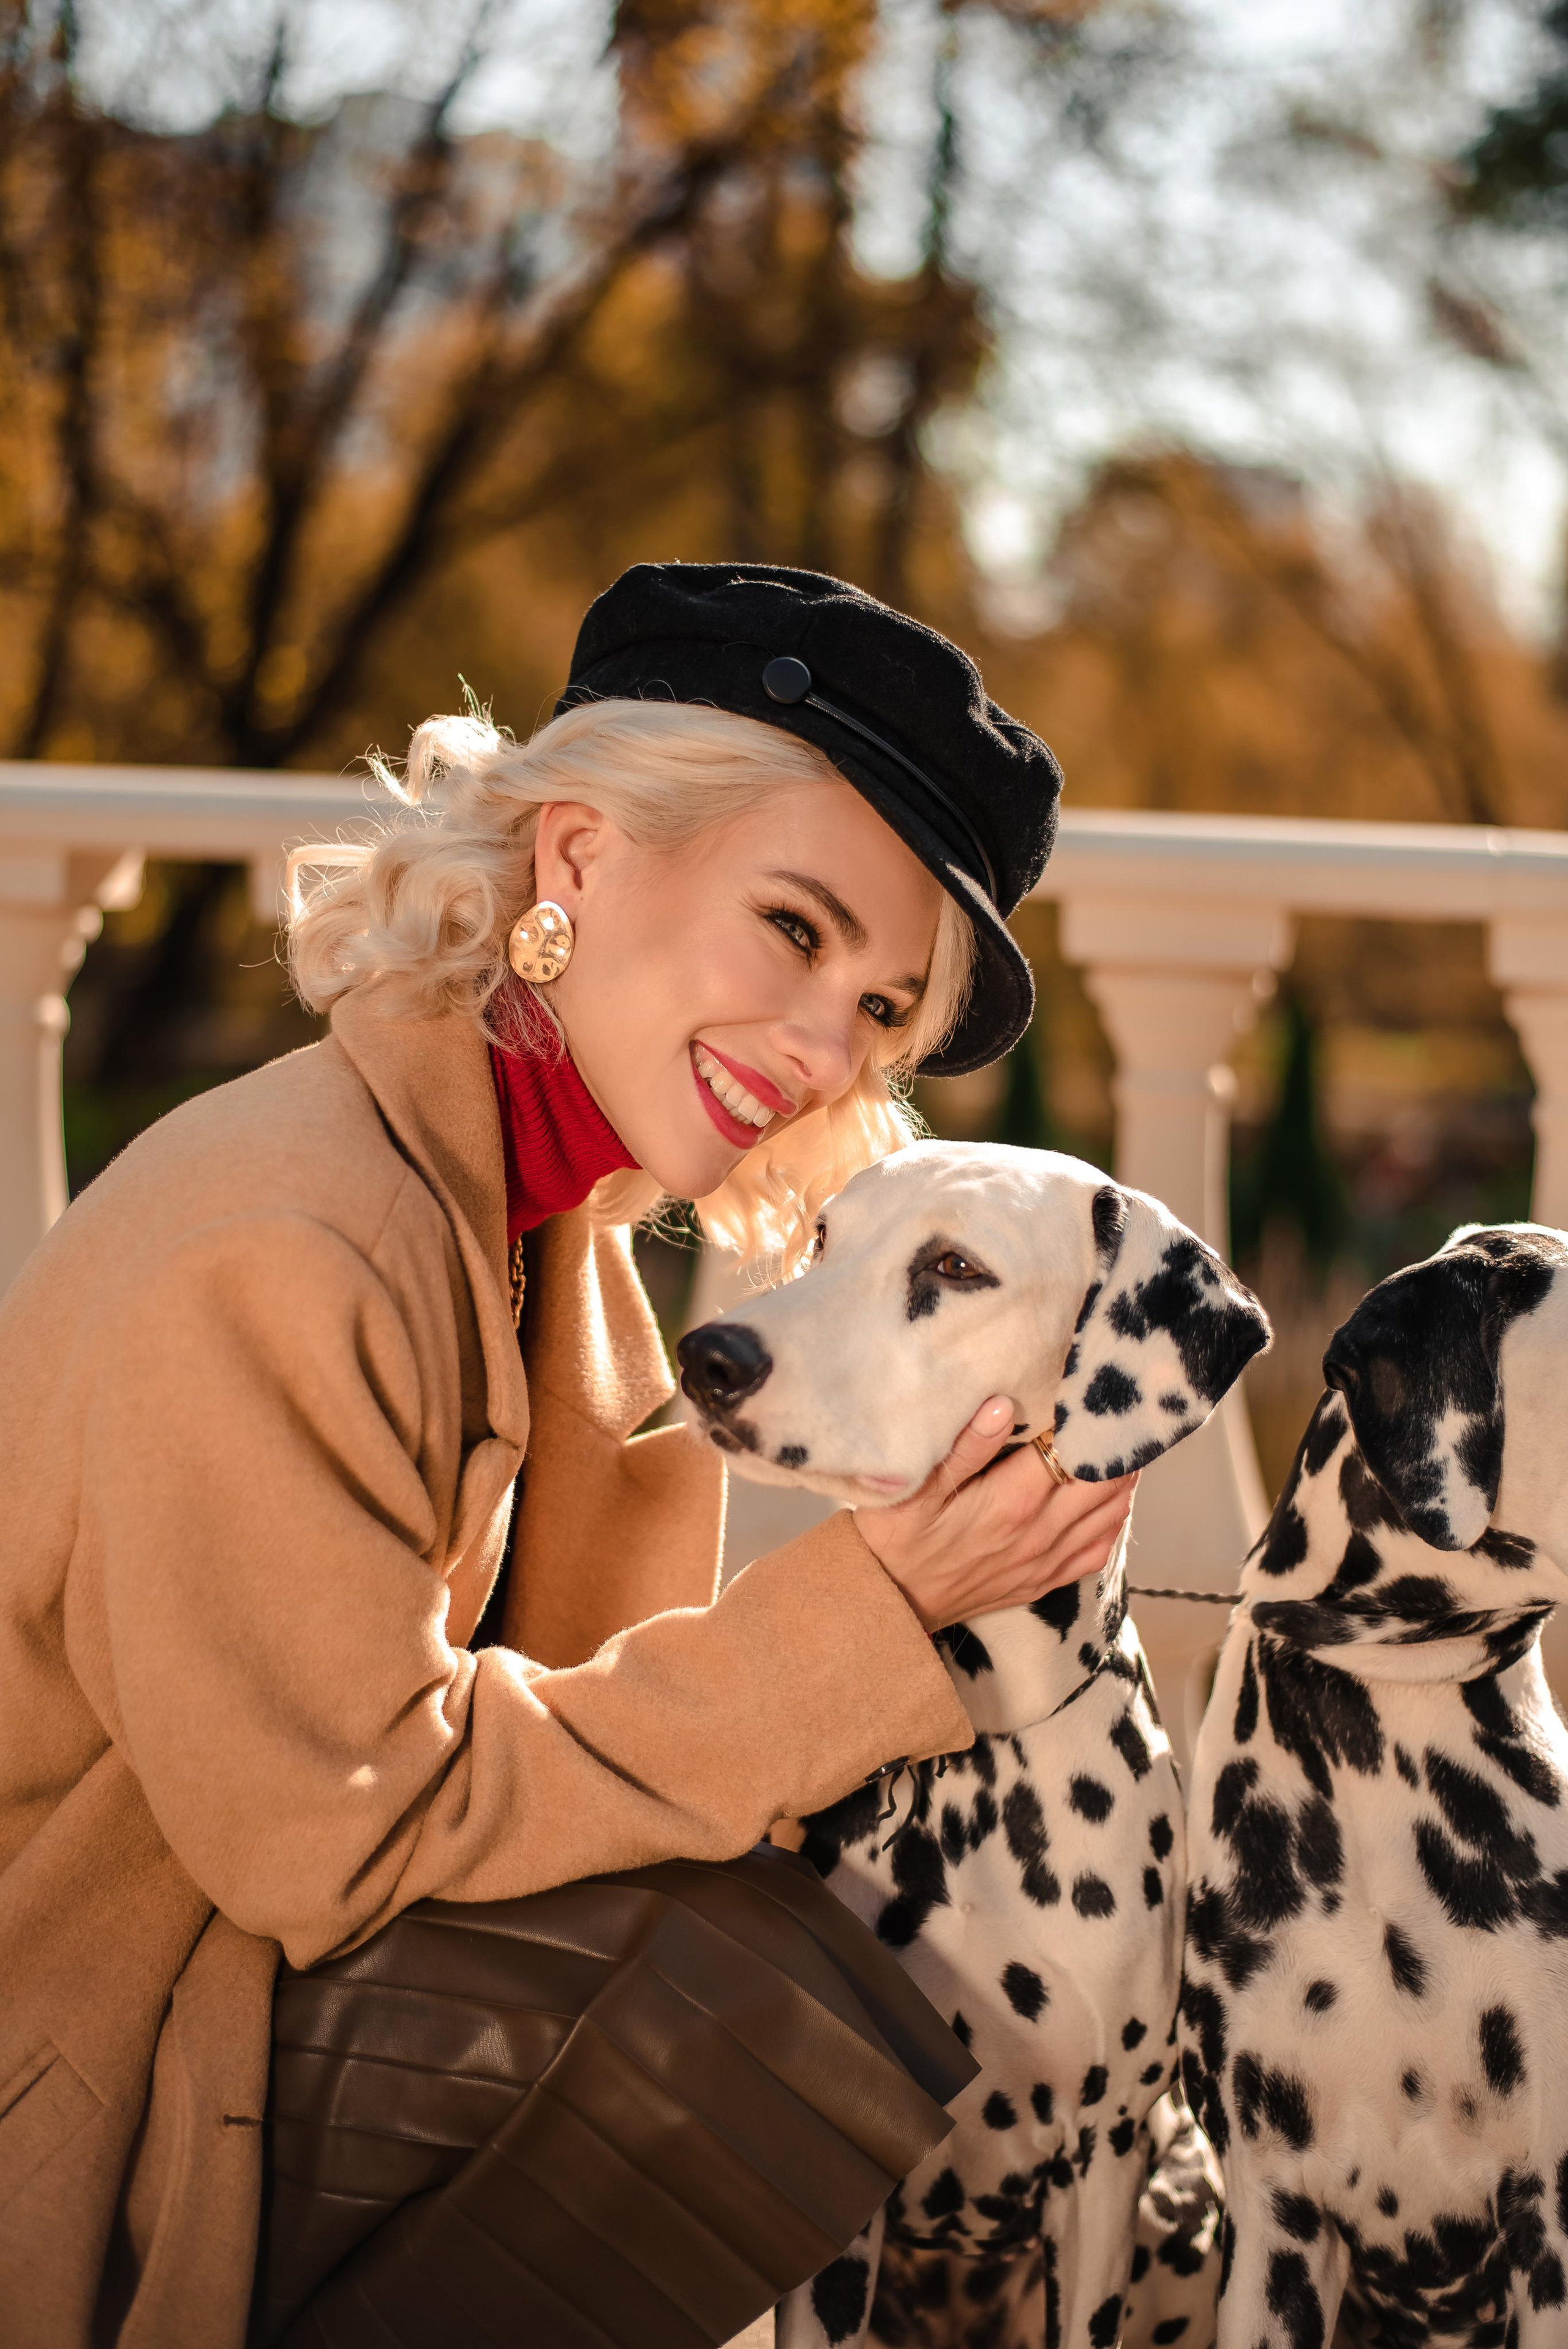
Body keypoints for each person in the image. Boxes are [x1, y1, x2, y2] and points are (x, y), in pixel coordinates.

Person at [0, 564, 1136, 2348]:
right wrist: (868, 1616)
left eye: (887, 1008)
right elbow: (342, 1837)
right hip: (102, 2073)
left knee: (843, 1969)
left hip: (267, 2016)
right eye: (796, 926)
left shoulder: (572, 1263)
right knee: (747, 2010)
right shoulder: (284, 1233)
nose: (832, 1041)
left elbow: (610, 1778)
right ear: (582, 857)